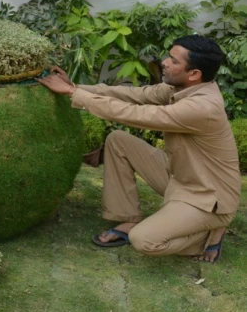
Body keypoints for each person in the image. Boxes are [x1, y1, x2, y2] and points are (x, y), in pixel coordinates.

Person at [37, 35, 241, 263]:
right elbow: (135, 96)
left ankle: (207, 235)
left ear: (194, 74)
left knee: (144, 240)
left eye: (173, 61)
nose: (164, 62)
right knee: (118, 140)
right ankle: (127, 217)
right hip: (180, 176)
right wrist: (76, 87)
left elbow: (134, 114)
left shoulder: (201, 107)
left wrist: (73, 94)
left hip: (207, 196)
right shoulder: (180, 89)